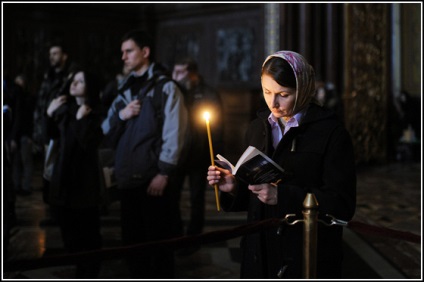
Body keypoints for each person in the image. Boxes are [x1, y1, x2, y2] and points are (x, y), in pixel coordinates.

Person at [207, 50, 356, 279]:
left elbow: (342, 204)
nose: (273, 103)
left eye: (283, 94)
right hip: (259, 252)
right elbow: (255, 195)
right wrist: (234, 187)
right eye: (267, 92)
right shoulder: (257, 128)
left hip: (304, 254)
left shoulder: (331, 133)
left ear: (303, 88)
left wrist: (283, 196)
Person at [101, 29, 188, 279]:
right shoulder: (123, 89)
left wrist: (164, 172)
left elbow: (176, 131)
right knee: (132, 244)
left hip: (153, 179)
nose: (124, 57)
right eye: (122, 52)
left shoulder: (166, 88)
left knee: (158, 247)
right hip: (127, 180)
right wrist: (122, 115)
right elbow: (105, 129)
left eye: (128, 51)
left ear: (145, 52)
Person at [45, 68, 104, 278]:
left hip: (85, 183)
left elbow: (89, 143)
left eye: (80, 81)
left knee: (88, 236)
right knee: (68, 235)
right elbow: (50, 137)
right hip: (64, 179)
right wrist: (49, 115)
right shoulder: (65, 109)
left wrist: (81, 120)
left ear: (90, 87)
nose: (74, 84)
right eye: (73, 80)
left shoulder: (95, 111)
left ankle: (88, 273)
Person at [172, 57, 224, 255]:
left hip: (199, 154)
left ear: (191, 73)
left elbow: (218, 127)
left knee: (197, 197)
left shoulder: (208, 93)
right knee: (172, 196)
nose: (176, 76)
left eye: (180, 72)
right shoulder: (175, 90)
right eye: (174, 72)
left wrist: (217, 156)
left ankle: (194, 237)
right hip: (178, 154)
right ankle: (176, 236)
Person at [33, 41, 77, 226]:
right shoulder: (48, 76)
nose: (52, 57)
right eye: (51, 53)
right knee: (47, 172)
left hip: (60, 129)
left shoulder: (70, 77)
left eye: (56, 53)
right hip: (46, 127)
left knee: (58, 172)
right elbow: (41, 104)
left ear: (64, 56)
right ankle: (52, 210)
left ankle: (60, 211)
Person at [11, 74, 36, 196]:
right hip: (18, 135)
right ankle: (17, 185)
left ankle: (25, 186)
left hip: (25, 134)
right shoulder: (15, 100)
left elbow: (30, 119)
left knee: (26, 161)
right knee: (16, 161)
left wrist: (31, 135)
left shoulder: (29, 99)